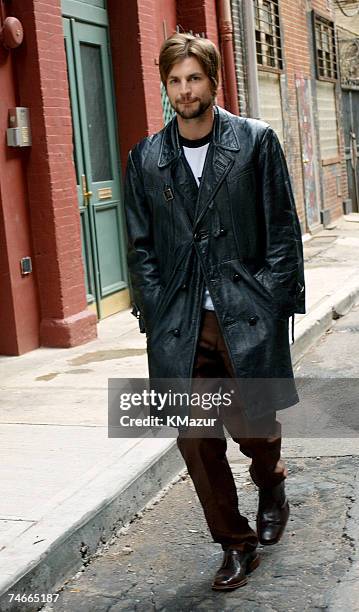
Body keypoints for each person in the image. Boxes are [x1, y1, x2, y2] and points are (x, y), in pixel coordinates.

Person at [124, 32, 305, 591]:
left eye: (194, 78)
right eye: (175, 81)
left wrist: (275, 301)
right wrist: (154, 309)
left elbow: (281, 229)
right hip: (182, 323)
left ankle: (270, 482)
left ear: (213, 80)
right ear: (166, 87)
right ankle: (235, 543)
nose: (185, 90)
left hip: (245, 314)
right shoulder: (147, 158)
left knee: (254, 428)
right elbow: (141, 247)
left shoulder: (254, 142)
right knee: (196, 439)